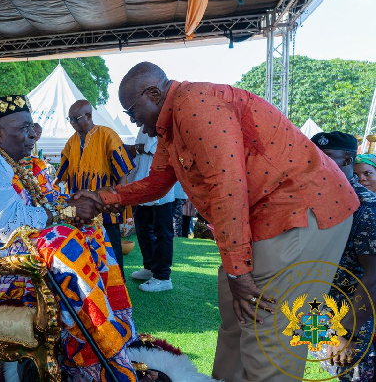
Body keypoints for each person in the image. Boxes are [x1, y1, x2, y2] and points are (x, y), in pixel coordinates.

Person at [76, 62, 358, 381]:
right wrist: (102, 198)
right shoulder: (172, 123)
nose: (132, 120)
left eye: (131, 110)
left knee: (265, 328)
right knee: (235, 319)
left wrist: (240, 273)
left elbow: (227, 188)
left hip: (297, 210)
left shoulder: (196, 105)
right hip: (266, 216)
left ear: (153, 93)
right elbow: (156, 182)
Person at [0, 91, 138, 381]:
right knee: (65, 247)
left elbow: (33, 212)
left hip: (6, 254)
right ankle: (95, 362)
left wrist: (69, 211)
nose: (33, 136)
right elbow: (7, 225)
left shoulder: (4, 158)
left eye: (33, 128)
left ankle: (110, 341)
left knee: (90, 232)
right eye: (24, 128)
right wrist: (64, 215)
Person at [310, 131, 376, 381]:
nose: (316, 162)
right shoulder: (318, 199)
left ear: (348, 160)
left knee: (357, 375)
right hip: (319, 311)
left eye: (326, 156)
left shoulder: (367, 207)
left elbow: (373, 278)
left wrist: (348, 334)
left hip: (351, 319)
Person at [56, 100, 135, 275]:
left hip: (105, 206)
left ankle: (118, 286)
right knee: (84, 247)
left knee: (112, 249)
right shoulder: (72, 142)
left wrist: (120, 201)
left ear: (89, 116)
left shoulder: (107, 135)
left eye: (75, 119)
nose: (72, 123)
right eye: (69, 120)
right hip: (80, 207)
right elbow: (60, 175)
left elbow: (123, 173)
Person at [125, 129, 180, 292]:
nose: (134, 119)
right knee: (142, 227)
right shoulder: (144, 126)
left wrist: (136, 148)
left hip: (162, 185)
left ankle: (163, 277)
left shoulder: (163, 123)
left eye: (133, 111)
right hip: (144, 182)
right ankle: (149, 267)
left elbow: (156, 148)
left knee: (162, 232)